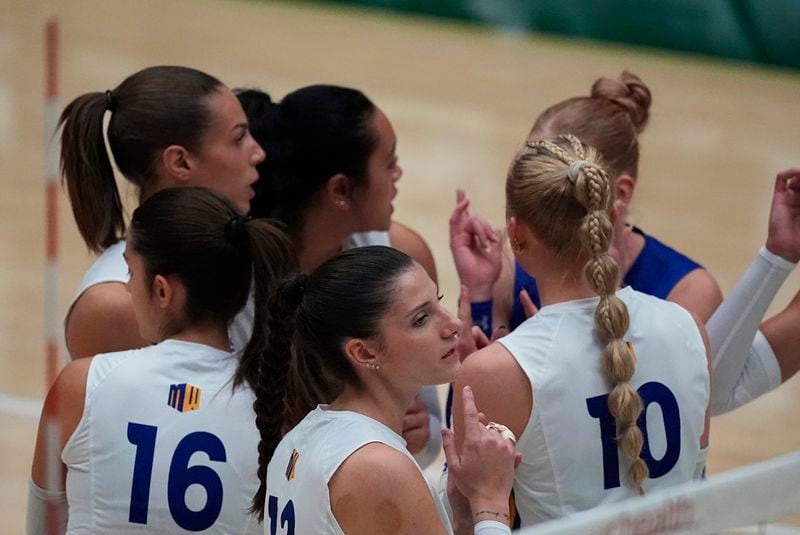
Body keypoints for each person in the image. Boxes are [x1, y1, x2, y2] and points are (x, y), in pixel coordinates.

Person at [451, 72, 800, 417]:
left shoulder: (689, 289)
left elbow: (697, 403)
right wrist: (478, 294)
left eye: (553, 176)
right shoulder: (512, 263)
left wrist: (562, 342)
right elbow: (468, 421)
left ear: (620, 192)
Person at [452, 135, 711, 527]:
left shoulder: (497, 372)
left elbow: (466, 519)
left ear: (516, 234)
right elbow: (697, 482)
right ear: (606, 221)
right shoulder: (689, 328)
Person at [28, 187, 297, 533]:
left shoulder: (81, 386)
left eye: (130, 272)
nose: (126, 288)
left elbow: (41, 525)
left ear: (162, 291)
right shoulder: (276, 412)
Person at [237, 86, 441, 467]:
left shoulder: (402, 255)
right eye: (388, 162)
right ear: (342, 189)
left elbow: (428, 437)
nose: (398, 174)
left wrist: (421, 430)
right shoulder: (235, 278)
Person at [252, 245, 519, 534]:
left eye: (438, 302)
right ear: (364, 353)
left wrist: (464, 520)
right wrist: (490, 502)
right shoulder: (378, 466)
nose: (453, 324)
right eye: (421, 319)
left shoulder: (301, 437)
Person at [60, 65, 265, 360]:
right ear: (180, 162)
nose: (258, 153)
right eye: (238, 138)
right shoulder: (116, 305)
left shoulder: (242, 247)